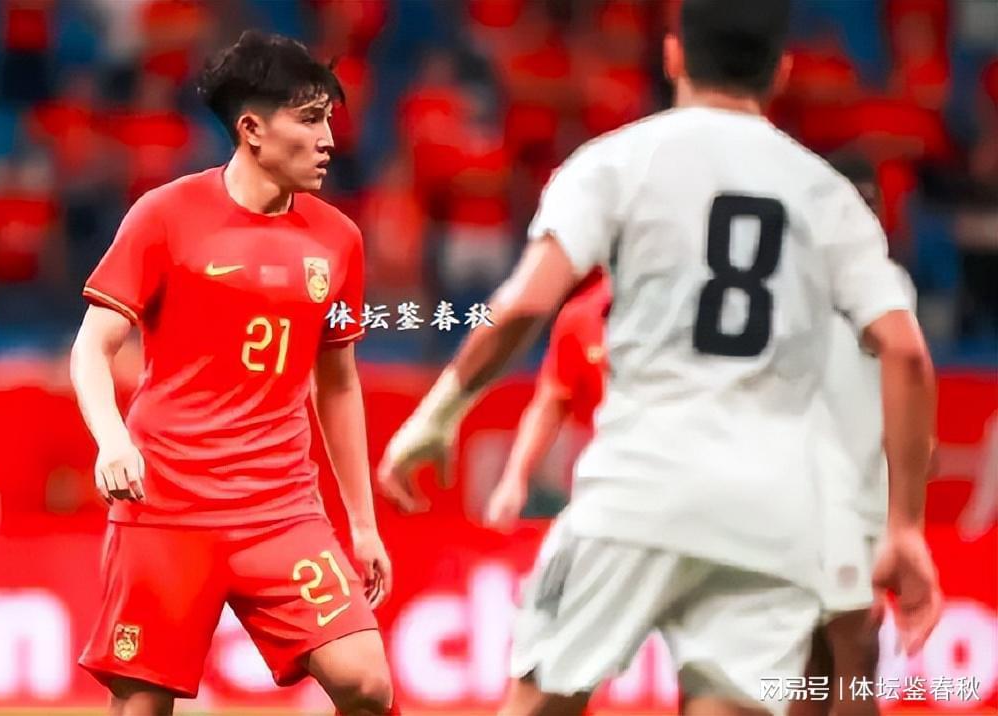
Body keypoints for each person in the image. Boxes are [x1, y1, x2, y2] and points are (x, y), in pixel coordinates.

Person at [377, 1, 942, 714]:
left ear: (673, 56)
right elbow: (905, 351)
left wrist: (437, 414)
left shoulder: (617, 160)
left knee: (536, 705)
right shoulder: (828, 195)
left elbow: (523, 305)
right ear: (782, 72)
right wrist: (905, 526)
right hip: (768, 511)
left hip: (637, 487)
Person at [71, 31, 394, 716]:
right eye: (310, 119)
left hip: (280, 508)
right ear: (251, 129)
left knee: (367, 682)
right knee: (142, 706)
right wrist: (112, 440)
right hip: (169, 504)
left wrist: (362, 525)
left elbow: (337, 383)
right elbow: (92, 347)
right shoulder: (164, 216)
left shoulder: (339, 240)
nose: (329, 139)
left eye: (330, 120)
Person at [790, 156, 915, 716]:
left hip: (860, 496)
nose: (863, 217)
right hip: (803, 492)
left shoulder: (890, 284)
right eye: (851, 205)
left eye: (871, 206)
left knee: (843, 656)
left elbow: (900, 377)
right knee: (832, 655)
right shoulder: (792, 289)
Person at [484, 272, 610, 531]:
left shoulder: (685, 315)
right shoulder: (582, 317)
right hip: (612, 478)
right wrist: (514, 479)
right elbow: (550, 403)